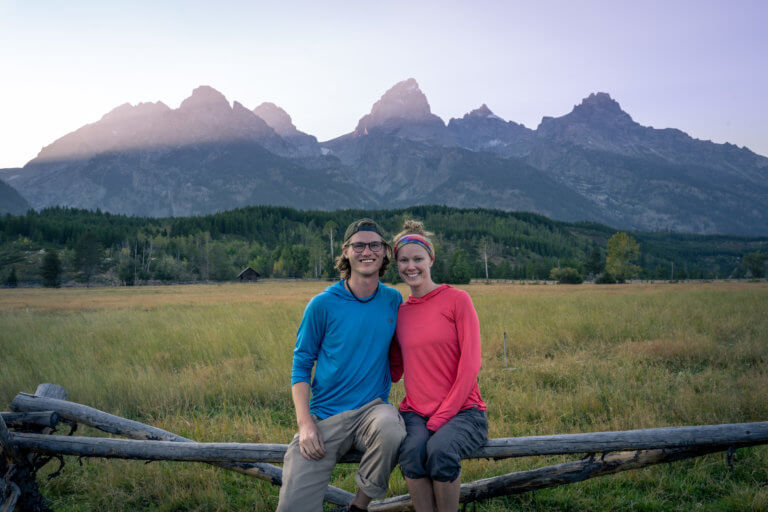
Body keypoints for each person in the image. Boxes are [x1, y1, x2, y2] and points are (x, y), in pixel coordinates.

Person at [277, 218, 406, 512]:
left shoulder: (393, 300)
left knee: (393, 428)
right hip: (325, 419)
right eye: (358, 245)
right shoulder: (322, 304)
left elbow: (408, 351)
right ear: (346, 251)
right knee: (292, 507)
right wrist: (305, 424)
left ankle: (358, 507)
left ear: (385, 253)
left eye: (375, 245)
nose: (367, 251)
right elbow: (301, 366)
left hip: (372, 412)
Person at [389, 220, 488, 512]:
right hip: (416, 413)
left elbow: (471, 365)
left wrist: (441, 417)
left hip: (464, 411)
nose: (411, 266)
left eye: (418, 259)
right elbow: (393, 370)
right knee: (411, 451)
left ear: (431, 259)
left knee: (440, 450)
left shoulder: (458, 300)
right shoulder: (400, 313)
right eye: (404, 260)